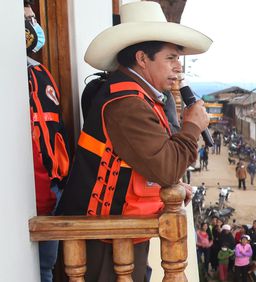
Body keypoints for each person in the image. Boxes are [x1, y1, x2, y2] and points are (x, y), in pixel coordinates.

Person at [56, 1, 212, 280]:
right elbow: (166, 167)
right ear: (142, 58)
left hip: (120, 234)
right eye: (171, 58)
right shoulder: (127, 104)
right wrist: (191, 127)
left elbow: (146, 163)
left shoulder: (138, 97)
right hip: (104, 241)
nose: (179, 67)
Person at [24, 1, 71, 281]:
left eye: (32, 18)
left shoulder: (40, 73)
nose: (33, 25)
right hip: (32, 189)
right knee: (38, 268)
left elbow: (55, 129)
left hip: (54, 185)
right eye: (27, 20)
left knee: (47, 266)